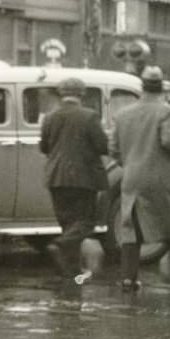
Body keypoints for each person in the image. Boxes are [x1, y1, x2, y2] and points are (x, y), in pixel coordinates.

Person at [109, 66, 170, 289]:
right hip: (159, 177)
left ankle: (128, 279)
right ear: (161, 88)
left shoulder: (123, 116)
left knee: (131, 230)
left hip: (131, 179)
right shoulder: (165, 112)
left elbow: (113, 149)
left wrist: (131, 162)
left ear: (142, 87)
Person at [38, 77, 109, 278]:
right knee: (86, 222)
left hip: (56, 177)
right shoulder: (90, 116)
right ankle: (61, 244)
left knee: (67, 223)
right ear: (81, 94)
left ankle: (71, 271)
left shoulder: (50, 117)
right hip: (84, 178)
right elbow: (102, 146)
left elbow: (44, 147)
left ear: (62, 94)